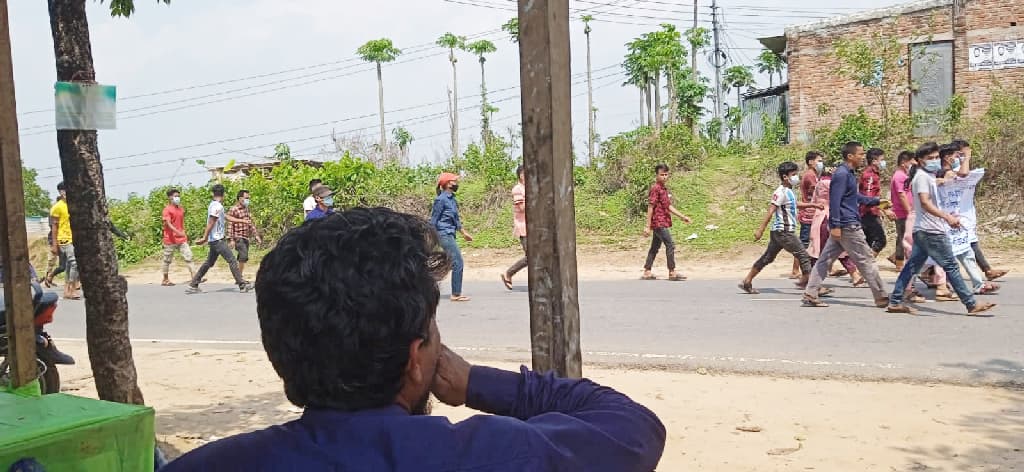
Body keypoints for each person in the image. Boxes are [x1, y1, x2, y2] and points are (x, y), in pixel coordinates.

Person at [162, 207, 666, 471]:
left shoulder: (211, 465)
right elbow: (632, 428)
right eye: (432, 327)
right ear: (414, 358)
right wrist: (475, 384)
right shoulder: (492, 455)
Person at [886, 143, 996, 316]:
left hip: (925, 230)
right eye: (930, 158)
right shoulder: (922, 177)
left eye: (936, 157)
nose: (935, 161)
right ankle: (970, 303)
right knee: (951, 266)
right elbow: (925, 202)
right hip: (931, 230)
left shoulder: (927, 177)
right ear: (920, 161)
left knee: (912, 267)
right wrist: (946, 217)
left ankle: (895, 301)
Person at [801, 142, 889, 308]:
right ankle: (882, 296)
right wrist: (835, 225)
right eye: (860, 154)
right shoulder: (842, 174)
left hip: (844, 224)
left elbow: (854, 197)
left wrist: (876, 201)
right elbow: (835, 201)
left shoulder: (849, 173)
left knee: (824, 260)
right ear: (850, 156)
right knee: (866, 260)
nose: (863, 157)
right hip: (847, 224)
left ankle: (810, 293)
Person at [739, 162, 821, 294]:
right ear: (785, 177)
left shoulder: (789, 191)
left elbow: (795, 204)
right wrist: (760, 229)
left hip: (780, 232)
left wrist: (814, 205)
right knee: (803, 254)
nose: (796, 177)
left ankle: (747, 281)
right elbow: (771, 210)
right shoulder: (780, 192)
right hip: (783, 231)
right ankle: (812, 286)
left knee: (768, 258)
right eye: (793, 175)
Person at [951, 139, 1008, 281]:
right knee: (964, 243)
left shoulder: (965, 170)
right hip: (956, 213)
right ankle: (985, 272)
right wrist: (967, 158)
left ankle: (986, 271)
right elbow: (963, 174)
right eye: (964, 153)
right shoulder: (951, 171)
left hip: (967, 211)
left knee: (969, 241)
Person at [185, 184, 252, 294]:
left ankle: (193, 284)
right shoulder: (217, 206)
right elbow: (211, 222)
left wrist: (242, 221)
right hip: (217, 240)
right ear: (223, 194)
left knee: (209, 263)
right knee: (232, 260)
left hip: (214, 240)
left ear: (213, 194)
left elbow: (226, 217)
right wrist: (204, 237)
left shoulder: (214, 205)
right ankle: (242, 285)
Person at [808, 165, 862, 287]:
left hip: (820, 218)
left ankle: (812, 280)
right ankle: (854, 275)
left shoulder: (820, 183)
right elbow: (839, 199)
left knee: (820, 250)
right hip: (830, 217)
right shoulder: (832, 183)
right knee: (838, 248)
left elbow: (814, 201)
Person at [642, 164, 692, 281]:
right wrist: (647, 226)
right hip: (659, 222)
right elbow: (650, 207)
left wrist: (682, 217)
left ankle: (647, 271)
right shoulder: (655, 189)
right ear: (657, 175)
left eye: (666, 174)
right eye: (662, 175)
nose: (664, 177)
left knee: (655, 247)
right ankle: (672, 271)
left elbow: (668, 206)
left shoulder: (663, 189)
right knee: (670, 244)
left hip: (663, 221)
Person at [431, 172, 474, 302]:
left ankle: (425, 280)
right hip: (443, 233)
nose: (456, 184)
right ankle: (456, 294)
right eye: (454, 181)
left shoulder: (451, 199)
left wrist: (463, 233)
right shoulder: (441, 200)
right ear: (447, 184)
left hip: (449, 233)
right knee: (458, 262)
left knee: (448, 263)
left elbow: (455, 219)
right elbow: (434, 219)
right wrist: (431, 237)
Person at [792, 151, 824, 279]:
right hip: (808, 214)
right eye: (819, 161)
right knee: (804, 243)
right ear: (811, 162)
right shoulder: (810, 175)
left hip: (814, 212)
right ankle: (795, 269)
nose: (821, 163)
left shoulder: (815, 175)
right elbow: (817, 190)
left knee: (817, 241)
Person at [49, 182, 79, 300]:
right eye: (63, 191)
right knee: (74, 262)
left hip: (74, 238)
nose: (65, 193)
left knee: (68, 265)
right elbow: (54, 227)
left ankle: (67, 290)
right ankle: (72, 288)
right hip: (64, 239)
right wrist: (54, 244)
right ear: (60, 192)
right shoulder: (57, 207)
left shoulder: (72, 205)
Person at [161, 188, 196, 286]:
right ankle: (165, 279)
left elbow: (180, 223)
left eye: (178, 196)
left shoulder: (181, 209)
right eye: (175, 196)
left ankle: (194, 277)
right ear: (170, 197)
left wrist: (183, 232)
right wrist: (178, 232)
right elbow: (168, 224)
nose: (177, 198)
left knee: (189, 257)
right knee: (167, 260)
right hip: (170, 239)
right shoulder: (167, 210)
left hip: (181, 239)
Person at [887, 150, 915, 271]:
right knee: (902, 237)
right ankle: (899, 262)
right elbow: (901, 194)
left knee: (905, 236)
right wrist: (909, 211)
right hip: (901, 212)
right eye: (912, 162)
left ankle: (895, 257)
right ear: (904, 162)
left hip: (907, 211)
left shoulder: (905, 176)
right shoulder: (899, 176)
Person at [500, 165, 527, 290]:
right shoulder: (517, 189)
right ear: (520, 175)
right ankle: (509, 273)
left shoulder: (527, 188)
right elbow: (522, 208)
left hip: (531, 226)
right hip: (523, 226)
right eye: (523, 173)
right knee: (531, 256)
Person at [859, 148, 889, 256]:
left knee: (868, 242)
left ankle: (863, 266)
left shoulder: (874, 174)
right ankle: (866, 264)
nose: (883, 162)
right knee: (880, 241)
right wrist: (881, 208)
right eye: (882, 159)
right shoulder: (870, 175)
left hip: (870, 212)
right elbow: (868, 197)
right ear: (874, 161)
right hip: (868, 213)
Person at [228, 189, 262, 277]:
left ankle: (239, 276)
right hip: (238, 236)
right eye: (246, 198)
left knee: (243, 257)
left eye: (248, 198)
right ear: (240, 198)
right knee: (243, 256)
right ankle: (239, 277)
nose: (248, 200)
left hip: (246, 236)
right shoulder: (234, 209)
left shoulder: (247, 209)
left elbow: (250, 223)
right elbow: (230, 224)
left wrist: (256, 236)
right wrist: (231, 239)